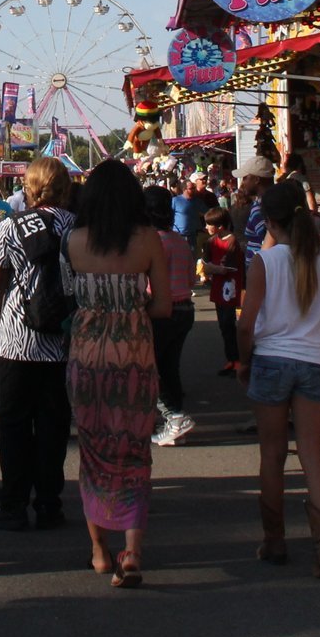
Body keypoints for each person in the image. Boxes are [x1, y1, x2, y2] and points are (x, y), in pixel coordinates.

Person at [64, 159, 170, 588]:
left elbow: (67, 297)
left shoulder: (73, 241)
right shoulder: (148, 241)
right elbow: (163, 305)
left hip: (88, 359)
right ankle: (133, 552)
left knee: (94, 454)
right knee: (134, 452)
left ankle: (99, 552)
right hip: (135, 358)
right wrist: (130, 310)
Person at [238, 181, 320, 579]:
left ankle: (275, 540)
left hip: (271, 361)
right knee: (314, 456)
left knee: (272, 455)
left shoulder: (265, 262)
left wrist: (243, 363)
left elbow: (246, 325)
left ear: (267, 220)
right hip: (316, 361)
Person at [0, 156, 77, 533]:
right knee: (53, 424)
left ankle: (14, 503)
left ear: (31, 187)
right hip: (61, 340)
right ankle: (50, 503)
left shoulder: (10, 226)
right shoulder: (76, 227)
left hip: (17, 340)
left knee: (15, 423)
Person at [146, 186, 197, 446]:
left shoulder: (152, 243)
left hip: (161, 311)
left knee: (150, 368)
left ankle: (175, 416)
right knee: (169, 367)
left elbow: (148, 284)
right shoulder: (179, 240)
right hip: (185, 309)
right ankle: (174, 423)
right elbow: (191, 279)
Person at [203, 207, 243, 375]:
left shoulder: (233, 241)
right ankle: (231, 359)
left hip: (233, 287)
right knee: (224, 325)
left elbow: (226, 267)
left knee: (232, 324)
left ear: (220, 226)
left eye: (209, 224)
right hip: (219, 288)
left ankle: (239, 360)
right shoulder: (210, 242)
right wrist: (212, 269)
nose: (206, 227)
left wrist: (213, 269)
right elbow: (206, 265)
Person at [235, 157, 273, 260]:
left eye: (245, 178)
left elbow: (268, 242)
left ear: (256, 180)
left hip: (262, 269)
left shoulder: (260, 208)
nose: (243, 182)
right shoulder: (270, 201)